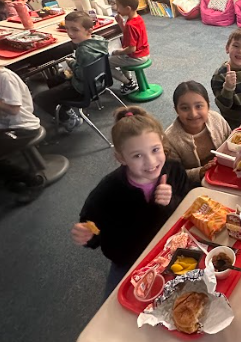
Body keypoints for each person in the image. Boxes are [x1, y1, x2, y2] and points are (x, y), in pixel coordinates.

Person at [71, 107, 189, 273]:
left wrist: (170, 202)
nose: (150, 162)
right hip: (132, 261)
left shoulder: (174, 170)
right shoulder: (107, 192)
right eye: (137, 156)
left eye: (155, 150)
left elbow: (188, 208)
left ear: (162, 143)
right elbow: (92, 225)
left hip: (174, 244)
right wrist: (88, 235)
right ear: (120, 158)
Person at [34, 11, 109, 132]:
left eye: (75, 30)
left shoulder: (83, 51)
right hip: (98, 82)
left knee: (39, 98)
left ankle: (69, 119)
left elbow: (80, 75)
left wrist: (72, 63)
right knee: (53, 81)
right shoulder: (99, 40)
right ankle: (65, 109)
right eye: (67, 29)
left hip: (82, 88)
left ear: (89, 30)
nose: (69, 33)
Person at [165, 80, 230, 185]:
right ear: (176, 110)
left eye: (199, 106)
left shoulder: (216, 119)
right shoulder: (170, 139)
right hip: (197, 185)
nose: (193, 114)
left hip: (226, 172)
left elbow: (231, 141)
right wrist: (199, 172)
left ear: (208, 106)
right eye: (184, 108)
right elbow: (175, 175)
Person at [0, 66, 44, 200]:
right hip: (6, 125)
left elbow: (14, 110)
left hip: (23, 127)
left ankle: (34, 181)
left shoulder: (5, 77)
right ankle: (10, 176)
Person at [109, 0, 150, 94]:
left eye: (118, 6)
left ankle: (128, 83)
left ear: (127, 8)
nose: (116, 9)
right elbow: (128, 34)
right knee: (120, 59)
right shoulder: (137, 19)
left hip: (136, 56)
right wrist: (120, 23)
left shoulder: (130, 25)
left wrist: (117, 52)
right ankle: (129, 81)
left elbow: (132, 49)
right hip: (144, 52)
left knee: (107, 64)